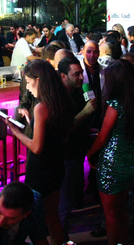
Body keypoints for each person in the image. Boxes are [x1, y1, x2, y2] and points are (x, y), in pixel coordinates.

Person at [4, 59, 72, 244]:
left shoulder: (42, 107)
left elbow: (36, 147)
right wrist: (32, 122)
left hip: (41, 171)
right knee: (52, 217)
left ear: (39, 80)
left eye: (28, 82)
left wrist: (16, 131)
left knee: (36, 222)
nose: (27, 88)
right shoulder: (61, 101)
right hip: (56, 165)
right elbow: (56, 135)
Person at [87, 59, 134, 245]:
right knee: (122, 208)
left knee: (111, 214)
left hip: (113, 162)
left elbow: (102, 138)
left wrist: (89, 153)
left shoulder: (115, 105)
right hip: (131, 159)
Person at [57, 56, 97, 237]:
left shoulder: (79, 92)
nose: (81, 77)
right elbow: (63, 129)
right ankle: (61, 237)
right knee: (64, 201)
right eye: (76, 74)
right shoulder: (58, 98)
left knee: (70, 194)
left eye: (81, 73)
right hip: (64, 155)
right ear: (63, 76)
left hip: (77, 151)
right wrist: (85, 113)